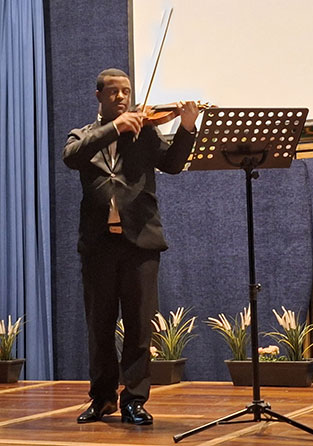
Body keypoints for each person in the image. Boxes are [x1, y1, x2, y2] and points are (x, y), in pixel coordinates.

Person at [63, 68, 198, 425]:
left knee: (139, 328)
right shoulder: (84, 135)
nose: (122, 98)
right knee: (100, 326)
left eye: (126, 92)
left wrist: (186, 128)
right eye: (114, 92)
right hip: (98, 246)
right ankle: (103, 398)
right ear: (99, 97)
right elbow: (71, 156)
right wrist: (116, 127)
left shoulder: (146, 132)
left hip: (140, 244)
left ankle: (134, 400)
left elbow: (172, 165)